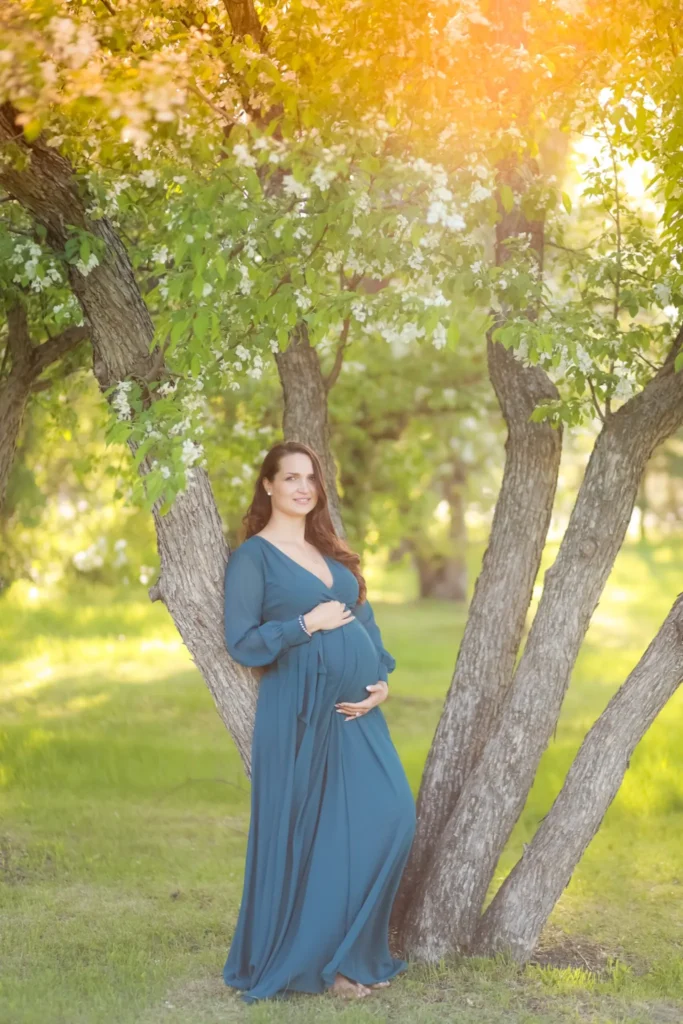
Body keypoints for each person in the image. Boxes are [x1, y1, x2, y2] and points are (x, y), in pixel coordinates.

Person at [222, 440, 416, 1003]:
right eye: (290, 477)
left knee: (394, 817)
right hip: (300, 709)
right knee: (315, 835)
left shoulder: (330, 552)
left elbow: (364, 620)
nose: (303, 487)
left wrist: (380, 678)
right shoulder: (254, 558)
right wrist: (305, 625)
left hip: (356, 712)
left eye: (310, 478)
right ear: (268, 485)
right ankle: (330, 968)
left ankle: (350, 954)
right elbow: (241, 641)